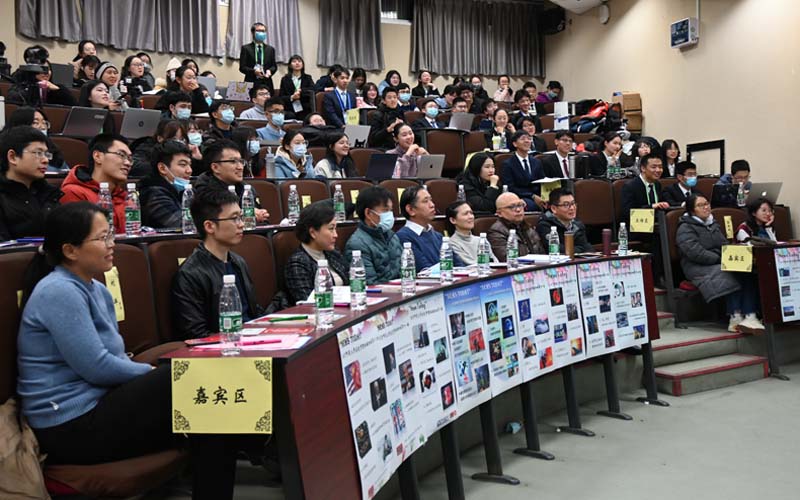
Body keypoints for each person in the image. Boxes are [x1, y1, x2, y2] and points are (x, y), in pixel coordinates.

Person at [17, 202, 249, 500]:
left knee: (213, 412)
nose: (111, 244)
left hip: (101, 403)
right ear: (70, 250)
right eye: (102, 238)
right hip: (68, 423)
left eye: (111, 235)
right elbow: (97, 367)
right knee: (186, 379)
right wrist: (149, 372)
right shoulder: (58, 291)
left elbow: (112, 358)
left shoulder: (96, 288)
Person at [172, 189, 265, 339]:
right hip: (224, 346)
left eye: (241, 217)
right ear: (209, 226)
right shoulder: (190, 274)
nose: (241, 224)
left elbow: (254, 312)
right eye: (234, 219)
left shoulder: (238, 262)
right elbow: (196, 335)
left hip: (253, 339)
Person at [676, 194, 764, 332]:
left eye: (707, 203)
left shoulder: (713, 224)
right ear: (692, 210)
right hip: (697, 266)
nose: (706, 207)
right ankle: (735, 317)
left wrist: (729, 256)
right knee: (729, 273)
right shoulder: (685, 227)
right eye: (700, 205)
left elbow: (724, 245)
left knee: (747, 270)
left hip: (718, 261)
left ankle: (750, 315)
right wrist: (720, 259)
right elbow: (695, 253)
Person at [60, 134, 131, 234]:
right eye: (121, 155)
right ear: (97, 156)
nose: (128, 163)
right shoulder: (73, 192)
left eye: (130, 158)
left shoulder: (124, 196)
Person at [0, 126, 62, 241]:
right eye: (38, 153)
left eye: (46, 154)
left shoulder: (48, 194)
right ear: (13, 157)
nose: (46, 160)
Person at [285, 201, 350, 305]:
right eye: (331, 229)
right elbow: (307, 303)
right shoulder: (297, 263)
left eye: (335, 228)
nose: (336, 235)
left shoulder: (333, 253)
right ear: (313, 232)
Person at [194, 139, 269, 222]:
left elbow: (264, 224)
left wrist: (261, 216)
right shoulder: (204, 191)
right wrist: (244, 215)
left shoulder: (246, 189)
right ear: (215, 167)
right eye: (233, 161)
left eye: (241, 161)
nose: (240, 167)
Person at [396, 186, 465, 271]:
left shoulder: (438, 236)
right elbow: (425, 270)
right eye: (425, 201)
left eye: (431, 200)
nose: (432, 205)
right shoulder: (403, 237)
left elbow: (459, 264)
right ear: (410, 210)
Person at [345, 186, 403, 284]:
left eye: (391, 210)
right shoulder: (357, 244)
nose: (390, 215)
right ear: (368, 213)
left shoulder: (393, 237)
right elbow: (369, 284)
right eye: (385, 210)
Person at [138, 140, 193, 229]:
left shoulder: (185, 191)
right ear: (162, 168)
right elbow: (182, 224)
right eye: (183, 165)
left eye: (190, 165)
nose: (189, 170)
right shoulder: (153, 194)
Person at [2, 107, 69, 172]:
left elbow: (66, 172)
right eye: (35, 123)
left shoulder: (52, 149)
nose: (42, 127)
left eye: (44, 123)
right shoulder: (6, 149)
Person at [488, 192, 543, 261]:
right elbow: (506, 259)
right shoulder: (496, 231)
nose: (518, 210)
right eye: (511, 207)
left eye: (520, 205)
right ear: (499, 213)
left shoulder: (527, 227)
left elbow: (541, 253)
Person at [536, 189, 593, 253]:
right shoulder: (545, 225)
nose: (572, 208)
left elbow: (586, 247)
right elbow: (556, 249)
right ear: (554, 208)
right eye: (566, 205)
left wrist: (580, 249)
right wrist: (580, 249)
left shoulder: (577, 225)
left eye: (573, 203)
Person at [500, 130, 546, 211]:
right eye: (523, 139)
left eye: (529, 139)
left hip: (538, 195)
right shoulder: (508, 164)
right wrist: (532, 196)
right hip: (520, 196)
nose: (527, 141)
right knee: (531, 206)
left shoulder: (536, 162)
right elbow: (510, 187)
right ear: (515, 144)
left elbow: (542, 182)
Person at [620, 153, 670, 223]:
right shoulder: (630, 186)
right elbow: (628, 212)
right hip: (637, 224)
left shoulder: (657, 184)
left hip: (656, 223)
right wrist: (652, 207)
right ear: (643, 168)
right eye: (654, 167)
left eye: (660, 167)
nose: (658, 170)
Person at [7, 63, 77, 108]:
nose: (46, 73)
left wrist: (57, 90)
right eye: (41, 69)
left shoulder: (58, 89)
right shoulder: (18, 90)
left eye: (48, 69)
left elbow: (76, 108)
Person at [239, 22, 277, 93]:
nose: (261, 33)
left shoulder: (270, 49)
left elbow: (274, 66)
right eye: (259, 31)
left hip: (267, 82)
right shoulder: (246, 48)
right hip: (251, 82)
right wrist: (254, 71)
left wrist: (270, 71)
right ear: (253, 33)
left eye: (263, 31)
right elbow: (242, 67)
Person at [278, 55, 315, 120]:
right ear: (290, 65)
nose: (297, 63)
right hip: (290, 108)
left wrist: (301, 91)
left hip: (305, 107)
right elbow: (281, 97)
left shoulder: (308, 78)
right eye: (294, 61)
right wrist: (292, 97)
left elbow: (313, 89)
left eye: (299, 61)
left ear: (302, 65)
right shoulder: (285, 79)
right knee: (289, 115)